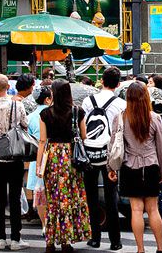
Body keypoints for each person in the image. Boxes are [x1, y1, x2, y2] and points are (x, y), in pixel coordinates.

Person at [107, 81, 162, 253]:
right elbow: (161, 149)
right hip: (151, 166)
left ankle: (140, 249)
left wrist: (111, 168)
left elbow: (114, 145)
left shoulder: (121, 117)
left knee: (136, 209)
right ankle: (160, 248)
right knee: (153, 209)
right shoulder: (154, 118)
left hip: (129, 167)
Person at [36, 79, 91, 253]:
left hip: (52, 157)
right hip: (71, 158)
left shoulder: (45, 114)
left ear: (53, 93)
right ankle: (66, 241)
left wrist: (39, 166)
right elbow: (84, 136)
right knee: (69, 199)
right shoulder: (77, 111)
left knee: (53, 200)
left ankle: (50, 241)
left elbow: (42, 141)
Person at [0, 74, 30, 250]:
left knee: (0, 198)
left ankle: (0, 238)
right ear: (8, 86)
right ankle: (16, 239)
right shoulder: (17, 105)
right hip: (15, 156)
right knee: (15, 198)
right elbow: (24, 126)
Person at [81, 67, 125, 250]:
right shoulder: (121, 104)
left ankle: (95, 237)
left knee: (90, 195)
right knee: (111, 196)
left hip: (90, 153)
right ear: (118, 84)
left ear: (101, 81)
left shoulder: (87, 101)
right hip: (110, 155)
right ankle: (115, 241)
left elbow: (82, 126)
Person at [26, 86, 53, 238]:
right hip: (54, 156)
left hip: (37, 159)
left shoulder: (30, 117)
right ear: (48, 99)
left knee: (40, 195)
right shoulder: (52, 114)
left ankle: (44, 225)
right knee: (54, 193)